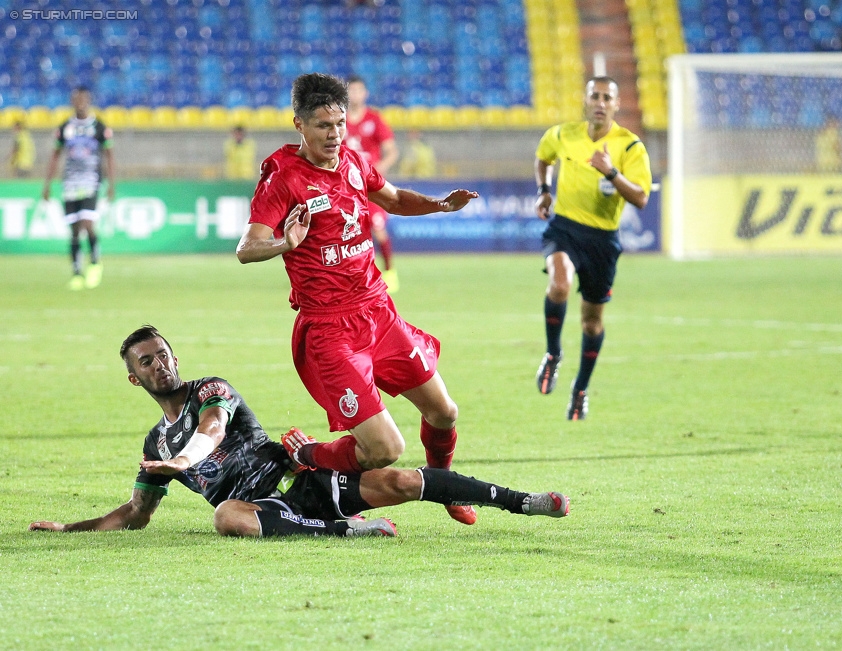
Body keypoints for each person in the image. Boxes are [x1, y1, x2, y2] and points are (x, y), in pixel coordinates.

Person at [28, 326, 570, 537]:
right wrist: (71, 530)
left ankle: (526, 502)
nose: (159, 365)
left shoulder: (209, 391)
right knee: (226, 515)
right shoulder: (154, 445)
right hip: (262, 510)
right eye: (146, 362)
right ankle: (343, 531)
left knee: (403, 479)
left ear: (176, 356)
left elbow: (214, 431)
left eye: (163, 355)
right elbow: (136, 515)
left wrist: (187, 461)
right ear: (133, 376)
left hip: (304, 482)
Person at [236, 73, 480, 525]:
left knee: (445, 412)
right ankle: (305, 453)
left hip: (378, 313)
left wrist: (440, 205)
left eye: (339, 123)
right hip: (330, 329)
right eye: (323, 125)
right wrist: (285, 245)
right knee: (384, 450)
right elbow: (246, 248)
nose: (334, 134)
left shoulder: (352, 161)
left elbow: (393, 199)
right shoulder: (282, 179)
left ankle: (443, 485)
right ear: (299, 125)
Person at [533, 76, 651, 420]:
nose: (600, 102)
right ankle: (553, 354)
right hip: (565, 228)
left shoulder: (629, 147)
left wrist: (611, 172)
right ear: (585, 101)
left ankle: (580, 389)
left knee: (591, 323)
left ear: (616, 105)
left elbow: (641, 197)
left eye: (607, 97)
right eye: (594, 96)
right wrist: (543, 189)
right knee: (559, 284)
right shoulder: (563, 134)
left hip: (602, 239)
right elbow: (543, 157)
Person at [41, 86, 115, 291]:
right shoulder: (65, 126)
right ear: (73, 101)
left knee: (87, 224)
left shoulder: (98, 126)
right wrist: (47, 185)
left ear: (88, 100)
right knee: (74, 231)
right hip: (69, 183)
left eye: (83, 98)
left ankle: (94, 263)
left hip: (91, 181)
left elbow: (109, 154)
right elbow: (55, 155)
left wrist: (111, 184)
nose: (80, 102)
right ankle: (76, 273)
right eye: (76, 99)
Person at [344, 75, 400, 291]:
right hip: (345, 186)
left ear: (365, 93)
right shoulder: (339, 119)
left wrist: (378, 170)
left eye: (359, 90)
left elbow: (392, 151)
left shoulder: (375, 119)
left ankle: (390, 272)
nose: (355, 94)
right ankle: (353, 276)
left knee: (378, 229)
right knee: (347, 231)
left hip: (370, 187)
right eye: (351, 90)